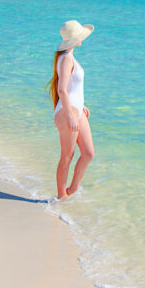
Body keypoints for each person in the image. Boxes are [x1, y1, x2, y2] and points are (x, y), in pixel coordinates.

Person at [48, 19, 95, 200]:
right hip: (67, 112)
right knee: (67, 156)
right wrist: (70, 113)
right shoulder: (66, 58)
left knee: (89, 153)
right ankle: (61, 197)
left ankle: (72, 189)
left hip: (76, 109)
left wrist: (81, 104)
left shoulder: (70, 56)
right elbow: (61, 89)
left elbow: (72, 88)